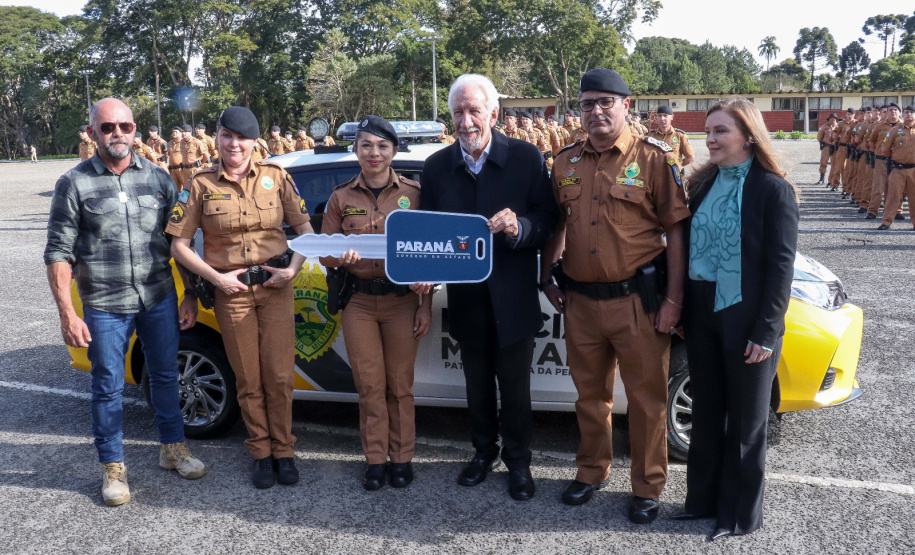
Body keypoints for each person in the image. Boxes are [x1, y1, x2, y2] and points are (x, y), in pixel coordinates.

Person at [540, 68, 689, 524]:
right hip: (580, 302)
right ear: (579, 110)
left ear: (627, 105)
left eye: (607, 102)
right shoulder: (563, 162)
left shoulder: (654, 159)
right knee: (589, 396)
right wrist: (547, 275)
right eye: (588, 103)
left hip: (637, 303)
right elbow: (557, 226)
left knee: (646, 402)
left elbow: (676, 232)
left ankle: (647, 486)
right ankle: (591, 471)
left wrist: (673, 301)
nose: (597, 111)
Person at [44, 98, 206, 507]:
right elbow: (58, 252)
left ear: (136, 130)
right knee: (107, 386)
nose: (118, 134)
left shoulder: (159, 179)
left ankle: (173, 449)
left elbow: (178, 240)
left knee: (167, 375)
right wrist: (67, 313)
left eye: (125, 126)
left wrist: (188, 292)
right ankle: (113, 468)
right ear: (93, 132)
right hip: (103, 303)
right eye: (107, 127)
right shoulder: (74, 183)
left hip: (158, 297)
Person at [419, 74, 559, 502]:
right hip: (467, 300)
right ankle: (483, 454)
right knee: (477, 387)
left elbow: (548, 220)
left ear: (493, 114)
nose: (465, 121)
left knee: (516, 389)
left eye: (474, 111)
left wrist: (521, 228)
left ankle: (519, 462)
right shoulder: (437, 167)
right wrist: (426, 271)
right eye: (458, 112)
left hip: (513, 299)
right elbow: (428, 233)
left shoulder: (526, 157)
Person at [167, 106, 314, 489]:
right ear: (217, 137)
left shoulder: (276, 176)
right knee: (248, 379)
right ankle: (261, 453)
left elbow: (305, 228)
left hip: (275, 289)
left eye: (242, 138)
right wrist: (215, 277)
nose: (235, 144)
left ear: (254, 142)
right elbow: (179, 244)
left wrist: (293, 269)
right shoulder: (199, 184)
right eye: (228, 135)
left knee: (280, 377)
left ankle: (285, 450)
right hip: (232, 295)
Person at [673, 97, 799, 540]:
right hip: (704, 313)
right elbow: (689, 253)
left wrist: (767, 330)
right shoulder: (703, 184)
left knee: (747, 423)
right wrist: (686, 311)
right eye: (708, 131)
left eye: (720, 131)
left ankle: (740, 516)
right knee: (707, 414)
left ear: (748, 135)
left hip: (748, 319)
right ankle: (701, 503)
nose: (709, 139)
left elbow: (781, 268)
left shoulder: (773, 189)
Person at [319, 115, 432, 491]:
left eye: (382, 146)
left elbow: (429, 254)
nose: (374, 153)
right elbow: (325, 252)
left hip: (402, 302)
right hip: (360, 303)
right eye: (366, 145)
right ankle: (374, 460)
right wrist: (340, 257)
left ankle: (402, 458)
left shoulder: (415, 195)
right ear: (356, 149)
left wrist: (426, 304)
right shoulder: (341, 196)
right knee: (369, 386)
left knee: (400, 386)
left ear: (394, 151)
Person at [878, 105, 915, 230]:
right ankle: (887, 222)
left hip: (914, 170)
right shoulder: (895, 130)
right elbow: (885, 149)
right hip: (898, 169)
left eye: (911, 112)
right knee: (892, 196)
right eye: (906, 112)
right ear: (902, 115)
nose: (909, 115)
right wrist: (897, 158)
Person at [871, 103, 903, 221]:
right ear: (887, 112)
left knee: (896, 187)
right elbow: (872, 142)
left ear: (899, 113)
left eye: (896, 110)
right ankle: (873, 210)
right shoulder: (879, 126)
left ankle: (897, 210)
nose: (893, 112)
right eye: (891, 110)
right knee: (878, 187)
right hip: (881, 160)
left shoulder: (904, 126)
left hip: (897, 162)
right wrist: (880, 153)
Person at [816, 114, 839, 187]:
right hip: (827, 147)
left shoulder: (839, 126)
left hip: (836, 147)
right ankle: (821, 178)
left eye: (834, 118)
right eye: (831, 118)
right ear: (829, 119)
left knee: (834, 165)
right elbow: (819, 137)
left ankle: (831, 180)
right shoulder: (824, 127)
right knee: (823, 162)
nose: (833, 120)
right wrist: (822, 144)